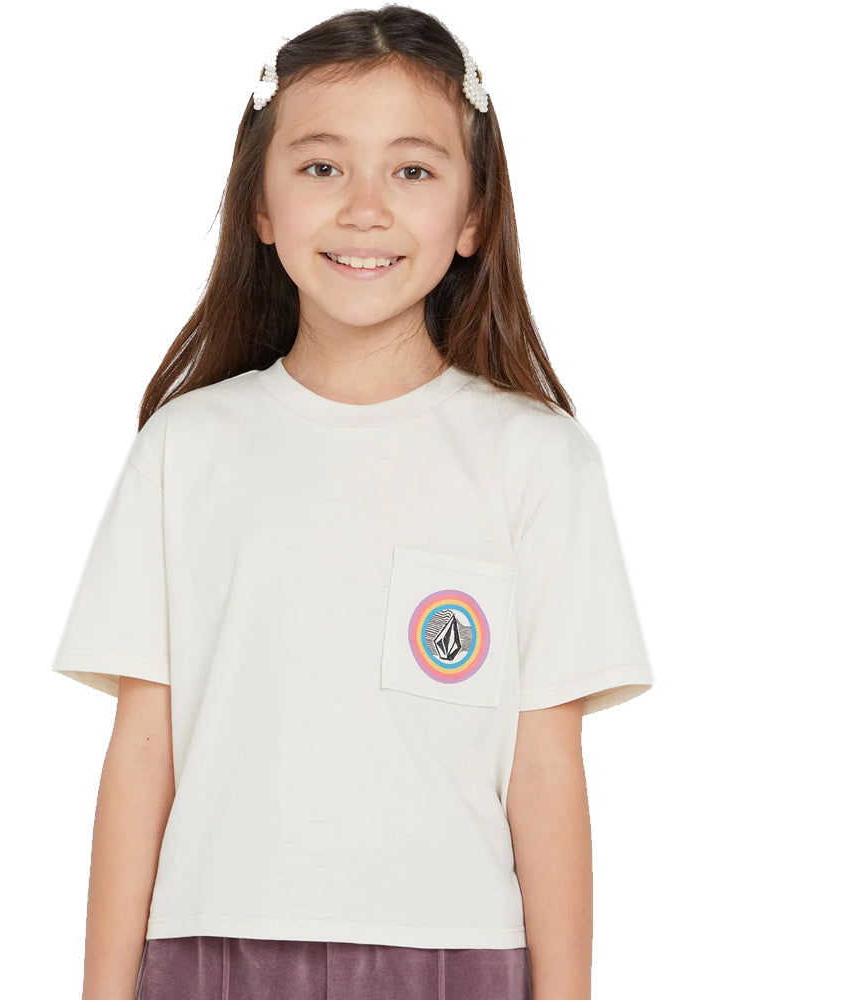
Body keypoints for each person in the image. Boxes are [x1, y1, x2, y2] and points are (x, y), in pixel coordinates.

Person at [49, 6, 655, 999]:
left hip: (456, 952)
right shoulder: (185, 450)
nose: (365, 208)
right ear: (260, 203)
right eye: (322, 166)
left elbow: (546, 767)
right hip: (213, 945)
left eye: (411, 170)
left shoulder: (537, 459)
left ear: (473, 215)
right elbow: (143, 751)